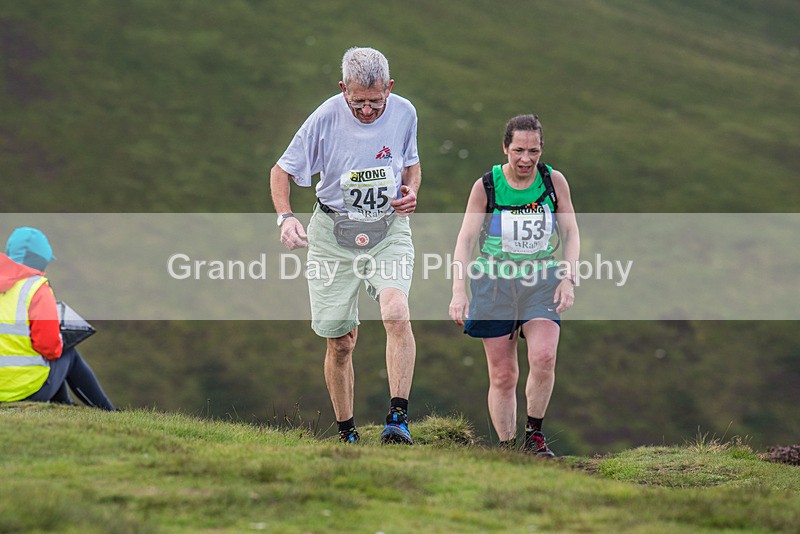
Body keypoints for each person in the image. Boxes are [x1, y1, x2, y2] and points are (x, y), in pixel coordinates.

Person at [270, 47, 421, 444]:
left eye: (375, 101)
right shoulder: (324, 118)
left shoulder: (405, 112)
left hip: (388, 229)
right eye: (358, 102)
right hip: (332, 235)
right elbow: (280, 172)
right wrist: (286, 218)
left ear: (389, 88)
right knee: (340, 342)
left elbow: (411, 163)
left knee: (396, 313)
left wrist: (411, 190)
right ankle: (347, 432)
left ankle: (398, 420)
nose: (367, 110)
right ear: (343, 89)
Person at [449, 115, 579, 456]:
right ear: (505, 148)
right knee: (503, 375)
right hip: (494, 284)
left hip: (541, 280)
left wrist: (568, 278)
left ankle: (534, 436)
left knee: (544, 356)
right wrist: (458, 291)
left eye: (533, 151)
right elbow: (465, 240)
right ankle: (508, 448)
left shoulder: (553, 181)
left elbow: (570, 232)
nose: (526, 159)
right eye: (519, 150)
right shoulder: (486, 186)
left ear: (541, 150)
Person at [0, 227, 115, 410]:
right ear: (40, 261)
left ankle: (64, 406)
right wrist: (61, 338)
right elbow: (49, 348)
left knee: (51, 361)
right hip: (23, 391)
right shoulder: (35, 288)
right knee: (67, 353)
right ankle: (107, 410)